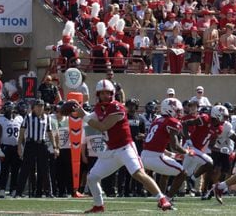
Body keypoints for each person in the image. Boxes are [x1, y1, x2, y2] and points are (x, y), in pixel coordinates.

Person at [74, 80, 173, 212]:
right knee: (92, 177)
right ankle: (98, 205)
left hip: (125, 148)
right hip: (110, 151)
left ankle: (162, 199)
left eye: (107, 93)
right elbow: (91, 116)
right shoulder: (99, 108)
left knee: (138, 174)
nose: (105, 96)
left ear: (112, 94)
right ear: (98, 94)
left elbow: (103, 126)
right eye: (102, 93)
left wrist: (83, 117)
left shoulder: (117, 107)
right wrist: (76, 112)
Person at [140, 98, 188, 195]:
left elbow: (155, 143)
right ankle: (168, 198)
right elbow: (175, 146)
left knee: (165, 172)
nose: (179, 113)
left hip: (145, 154)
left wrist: (171, 155)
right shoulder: (172, 121)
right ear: (170, 109)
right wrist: (187, 152)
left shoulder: (157, 120)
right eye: (178, 111)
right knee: (183, 173)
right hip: (155, 157)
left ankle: (162, 197)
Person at [15, 99, 56, 198]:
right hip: (31, 144)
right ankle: (18, 192)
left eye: (41, 106)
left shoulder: (47, 118)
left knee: (45, 169)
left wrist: (55, 146)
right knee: (25, 169)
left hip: (42, 144)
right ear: (34, 107)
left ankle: (48, 192)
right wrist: (19, 146)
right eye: (38, 106)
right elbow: (21, 133)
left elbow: (50, 133)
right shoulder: (28, 117)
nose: (40, 108)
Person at [0, 101, 23, 198]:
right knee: (4, 169)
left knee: (15, 169)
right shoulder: (0, 119)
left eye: (10, 107)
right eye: (7, 108)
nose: (9, 110)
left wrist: (21, 147)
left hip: (16, 147)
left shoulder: (19, 118)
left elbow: (22, 134)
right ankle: (2, 189)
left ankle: (13, 189)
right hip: (5, 147)